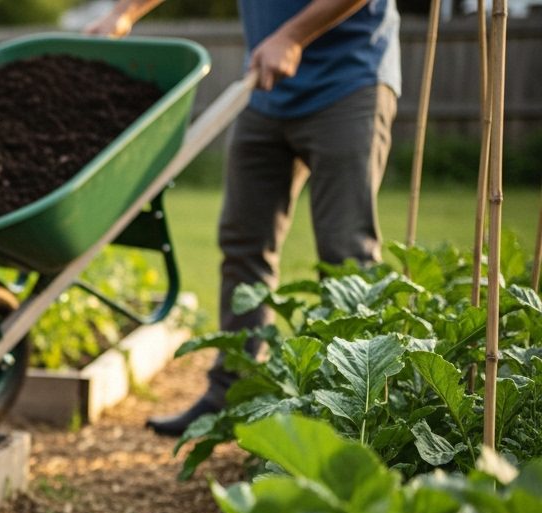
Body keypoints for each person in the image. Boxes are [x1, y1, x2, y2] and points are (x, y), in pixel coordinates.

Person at [86, 0, 401, 436]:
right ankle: (232, 398)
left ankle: (355, 415)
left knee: (346, 254)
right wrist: (124, 12)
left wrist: (292, 36)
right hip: (267, 89)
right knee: (243, 244)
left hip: (349, 82)